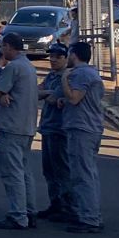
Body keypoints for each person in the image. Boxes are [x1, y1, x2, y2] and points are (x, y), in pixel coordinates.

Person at [0, 34, 39, 230]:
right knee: (25, 171)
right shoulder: (29, 66)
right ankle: (29, 210)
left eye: (3, 47)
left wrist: (2, 93)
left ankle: (18, 215)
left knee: (13, 173)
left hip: (12, 125)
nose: (2, 50)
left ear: (9, 47)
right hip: (27, 125)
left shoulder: (13, 67)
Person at [61, 42, 107, 234]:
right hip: (90, 126)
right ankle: (90, 213)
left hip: (82, 128)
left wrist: (64, 79)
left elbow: (74, 98)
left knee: (82, 175)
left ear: (74, 54)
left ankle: (89, 218)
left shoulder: (79, 74)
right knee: (88, 173)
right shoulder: (92, 73)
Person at [36, 44, 74, 223]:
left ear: (66, 58)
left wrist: (47, 94)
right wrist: (47, 93)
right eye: (51, 56)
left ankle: (67, 206)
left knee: (62, 170)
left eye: (57, 56)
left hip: (60, 129)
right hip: (47, 126)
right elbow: (36, 92)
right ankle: (55, 204)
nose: (52, 59)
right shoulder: (51, 75)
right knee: (49, 170)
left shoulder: (66, 77)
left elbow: (52, 98)